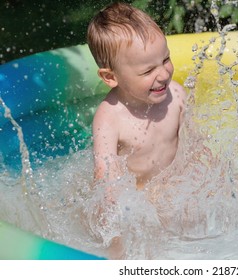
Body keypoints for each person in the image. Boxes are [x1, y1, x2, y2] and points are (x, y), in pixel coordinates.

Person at [86, 2, 187, 258]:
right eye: (148, 70)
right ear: (111, 77)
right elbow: (106, 178)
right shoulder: (109, 118)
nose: (163, 74)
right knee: (121, 246)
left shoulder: (176, 95)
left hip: (170, 187)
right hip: (137, 200)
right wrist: (113, 221)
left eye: (165, 59)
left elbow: (195, 145)